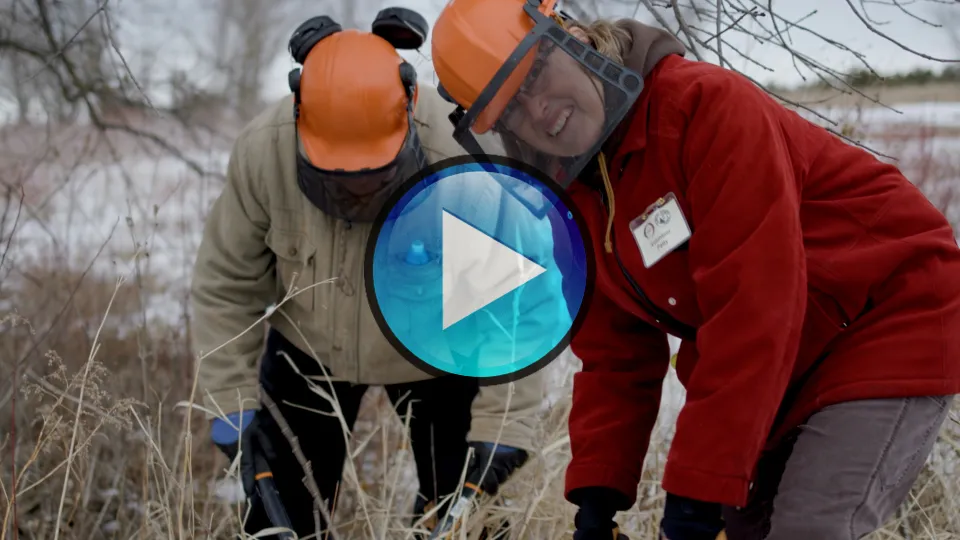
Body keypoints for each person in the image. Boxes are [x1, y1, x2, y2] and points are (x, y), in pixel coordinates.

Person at [428, 0, 960, 539]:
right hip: (788, 355)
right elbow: (615, 354)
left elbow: (753, 306)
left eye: (537, 72)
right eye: (510, 108)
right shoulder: (575, 196)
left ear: (573, 38)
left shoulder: (704, 108)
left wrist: (691, 495)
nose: (539, 110)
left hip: (886, 315)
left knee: (809, 527)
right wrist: (597, 498)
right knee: (745, 526)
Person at [190, 10, 550, 539]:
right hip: (308, 349)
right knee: (277, 516)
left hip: (440, 355)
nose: (356, 192)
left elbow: (515, 304)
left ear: (406, 115)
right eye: (337, 178)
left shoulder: (464, 154)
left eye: (373, 176)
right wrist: (231, 409)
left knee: (468, 521)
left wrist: (502, 428)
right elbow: (225, 287)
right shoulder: (263, 150)